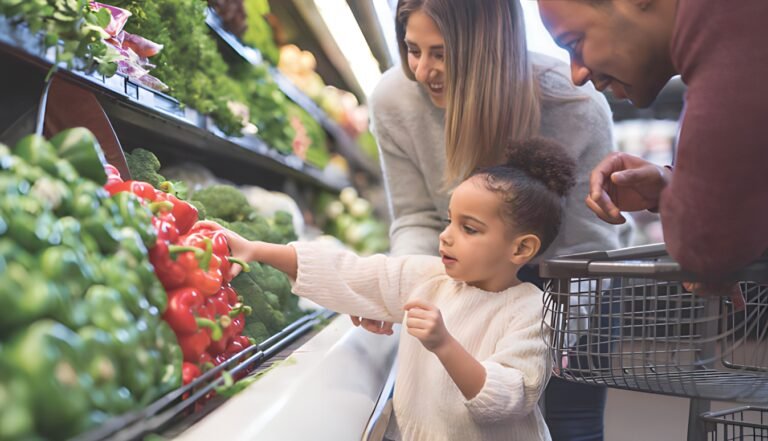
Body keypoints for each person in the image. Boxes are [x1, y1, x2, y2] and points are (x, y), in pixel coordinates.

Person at [356, 0, 623, 439]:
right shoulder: (394, 100)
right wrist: (400, 291)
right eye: (413, 49)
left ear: (488, 50)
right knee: (460, 420)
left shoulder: (573, 104)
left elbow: (584, 247)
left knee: (569, 425)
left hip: (567, 282)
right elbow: (417, 217)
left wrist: (544, 345)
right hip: (466, 279)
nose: (423, 71)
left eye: (441, 53)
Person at [217, 138, 576, 441]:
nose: (446, 235)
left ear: (521, 249)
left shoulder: (531, 311)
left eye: (469, 228)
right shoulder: (430, 277)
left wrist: (444, 345)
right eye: (448, 220)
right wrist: (257, 250)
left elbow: (504, 401)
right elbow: (352, 273)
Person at [537, 0, 768, 278]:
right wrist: (671, 186)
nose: (577, 75)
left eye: (575, 43)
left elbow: (705, 248)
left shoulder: (733, 32)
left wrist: (695, 214)